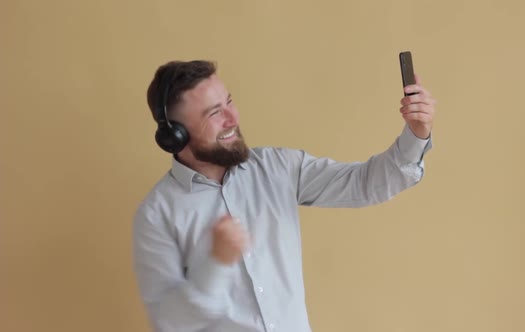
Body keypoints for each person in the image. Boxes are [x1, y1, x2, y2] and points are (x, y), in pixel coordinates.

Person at [133, 60, 435, 332]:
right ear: (175, 135)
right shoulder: (157, 215)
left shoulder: (278, 168)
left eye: (229, 102)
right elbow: (168, 321)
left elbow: (365, 184)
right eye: (215, 113)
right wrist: (214, 263)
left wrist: (416, 133)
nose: (232, 117)